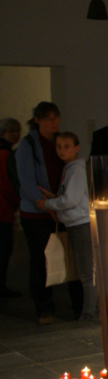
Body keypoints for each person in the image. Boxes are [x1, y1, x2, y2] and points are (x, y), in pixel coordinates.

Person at [15, 102, 81, 323]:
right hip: (37, 213)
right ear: (38, 120)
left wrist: (58, 204)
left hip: (60, 208)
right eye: (48, 119)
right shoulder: (28, 145)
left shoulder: (59, 141)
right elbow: (27, 181)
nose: (53, 123)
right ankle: (44, 308)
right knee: (41, 260)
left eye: (56, 118)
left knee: (71, 257)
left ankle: (79, 306)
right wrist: (47, 205)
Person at [38, 132, 97, 320]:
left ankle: (89, 313)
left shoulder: (77, 169)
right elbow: (69, 197)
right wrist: (54, 198)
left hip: (81, 224)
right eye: (59, 146)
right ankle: (88, 311)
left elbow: (71, 200)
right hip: (75, 224)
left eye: (67, 146)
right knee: (83, 271)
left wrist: (48, 204)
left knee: (87, 273)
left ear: (76, 148)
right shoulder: (70, 168)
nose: (62, 150)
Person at [0, 118, 22, 298]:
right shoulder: (4, 154)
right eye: (11, 131)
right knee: (3, 250)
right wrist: (16, 201)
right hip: (3, 209)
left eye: (17, 130)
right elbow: (7, 184)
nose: (15, 134)